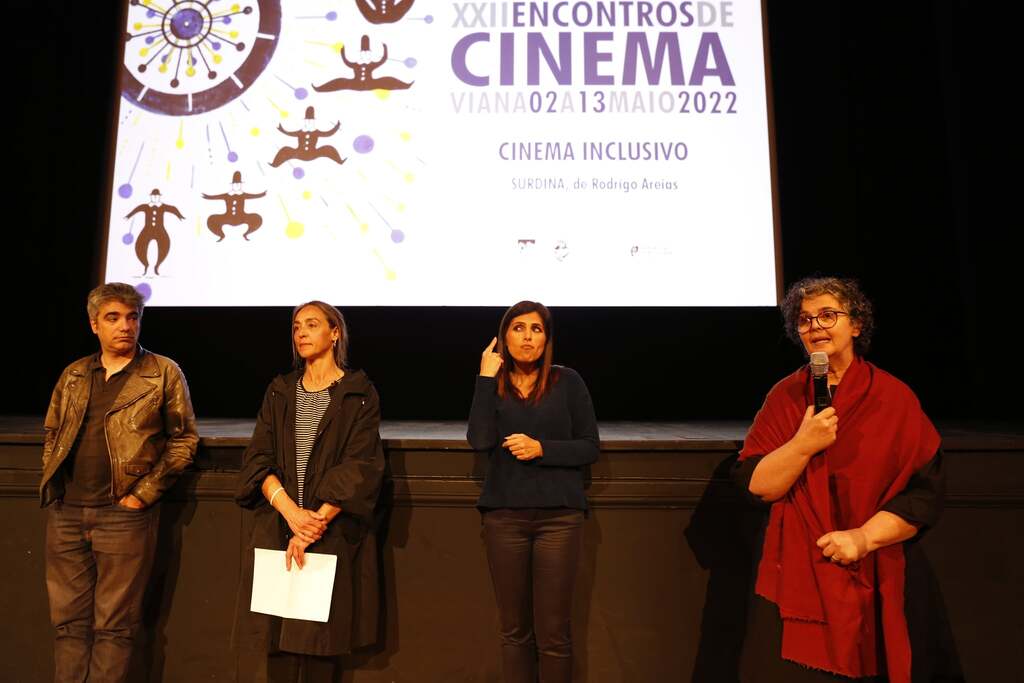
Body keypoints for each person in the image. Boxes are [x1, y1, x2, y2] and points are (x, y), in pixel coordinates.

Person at [732, 277, 957, 683]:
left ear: (855, 325)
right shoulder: (785, 396)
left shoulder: (893, 397)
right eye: (804, 320)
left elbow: (924, 492)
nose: (815, 326)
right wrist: (803, 444)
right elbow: (757, 485)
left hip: (881, 564)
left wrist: (862, 538)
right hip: (801, 570)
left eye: (828, 315)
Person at [40, 282, 199, 683]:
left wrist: (142, 495)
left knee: (114, 627)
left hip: (123, 515)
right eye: (113, 318)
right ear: (94, 324)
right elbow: (52, 433)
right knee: (68, 626)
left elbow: (183, 440)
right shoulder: (75, 374)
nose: (125, 326)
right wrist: (55, 485)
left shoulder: (162, 372)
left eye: (132, 318)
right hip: (68, 513)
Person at [234, 301, 385, 682]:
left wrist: (313, 524)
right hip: (279, 528)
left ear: (335, 333)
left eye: (312, 324)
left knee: (320, 649)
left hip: (327, 534)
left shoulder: (358, 393)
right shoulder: (280, 391)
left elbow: (360, 466)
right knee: (277, 645)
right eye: (297, 326)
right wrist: (291, 514)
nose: (300, 332)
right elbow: (259, 459)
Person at [467, 301, 600, 683]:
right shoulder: (493, 383)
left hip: (559, 518)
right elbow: (478, 440)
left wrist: (543, 448)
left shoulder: (567, 381)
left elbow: (590, 446)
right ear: (503, 336)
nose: (527, 337)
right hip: (504, 517)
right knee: (514, 633)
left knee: (555, 632)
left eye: (536, 329)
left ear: (547, 338)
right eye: (519, 328)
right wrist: (484, 379)